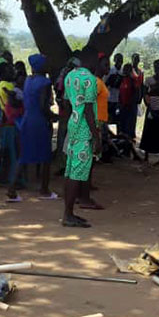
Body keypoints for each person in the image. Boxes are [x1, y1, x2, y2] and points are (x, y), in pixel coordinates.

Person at [7, 54, 58, 200]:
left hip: (27, 120)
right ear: (41, 66)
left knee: (24, 155)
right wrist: (53, 116)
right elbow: (43, 106)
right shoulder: (45, 83)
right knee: (46, 156)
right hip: (39, 121)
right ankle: (44, 190)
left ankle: (11, 189)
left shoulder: (28, 80)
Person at [62, 48, 103, 227]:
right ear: (91, 60)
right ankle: (68, 215)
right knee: (77, 174)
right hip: (84, 129)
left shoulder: (69, 76)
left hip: (73, 124)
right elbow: (88, 110)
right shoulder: (90, 80)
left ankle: (68, 212)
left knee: (71, 171)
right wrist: (97, 137)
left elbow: (67, 102)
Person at [0, 63, 19, 187]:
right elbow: (12, 103)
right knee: (8, 150)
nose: (12, 72)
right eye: (9, 70)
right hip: (7, 120)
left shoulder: (3, 84)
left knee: (1, 150)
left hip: (4, 119)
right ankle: (9, 178)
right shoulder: (5, 85)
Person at [118, 63, 140, 139]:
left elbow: (136, 93)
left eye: (126, 69)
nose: (124, 71)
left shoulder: (133, 80)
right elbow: (120, 92)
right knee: (122, 125)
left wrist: (129, 104)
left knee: (129, 127)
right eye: (124, 69)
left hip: (130, 107)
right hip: (122, 106)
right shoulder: (122, 79)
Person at [105, 53, 124, 124]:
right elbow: (105, 83)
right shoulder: (110, 70)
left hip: (118, 99)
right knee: (107, 118)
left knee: (117, 120)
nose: (120, 61)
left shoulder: (123, 71)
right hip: (109, 98)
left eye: (121, 60)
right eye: (118, 60)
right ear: (114, 60)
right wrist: (112, 81)